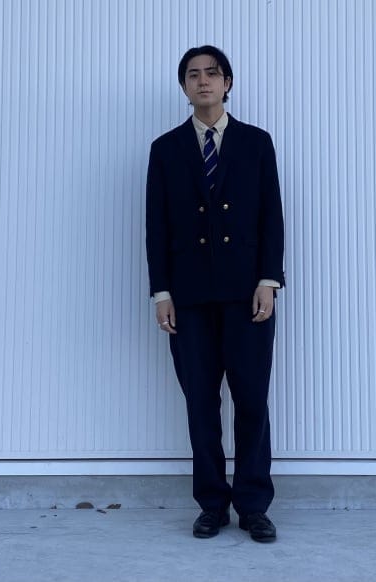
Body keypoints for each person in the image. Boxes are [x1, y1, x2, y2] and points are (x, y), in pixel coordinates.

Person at [145, 45, 285, 542]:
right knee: (200, 404)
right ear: (184, 86)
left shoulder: (256, 142)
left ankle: (253, 505)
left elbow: (271, 216)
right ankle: (211, 504)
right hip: (189, 298)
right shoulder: (166, 149)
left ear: (227, 83)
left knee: (252, 401)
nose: (203, 81)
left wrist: (268, 281)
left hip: (248, 296)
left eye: (212, 73)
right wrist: (161, 292)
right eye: (193, 74)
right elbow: (156, 225)